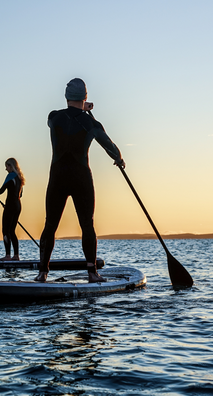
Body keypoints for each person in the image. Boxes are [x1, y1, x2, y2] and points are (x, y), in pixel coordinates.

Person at [35, 78, 125, 283]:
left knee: (50, 225)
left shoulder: (53, 118)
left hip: (57, 177)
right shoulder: (91, 123)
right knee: (87, 225)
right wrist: (119, 159)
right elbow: (110, 146)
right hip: (81, 178)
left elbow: (65, 115)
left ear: (66, 97)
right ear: (85, 96)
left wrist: (82, 106)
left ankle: (42, 273)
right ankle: (92, 273)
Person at [0, 158, 25, 261]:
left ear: (11, 166)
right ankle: (16, 256)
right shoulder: (20, 178)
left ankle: (7, 256)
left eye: (7, 166)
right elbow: (21, 194)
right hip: (18, 205)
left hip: (10, 205)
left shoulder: (10, 176)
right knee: (12, 231)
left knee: (5, 231)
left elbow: (2, 189)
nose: (6, 169)